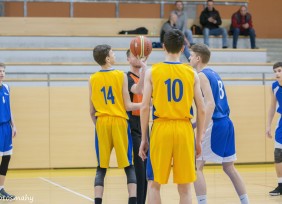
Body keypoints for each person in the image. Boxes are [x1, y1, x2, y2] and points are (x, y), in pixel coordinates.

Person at [139, 29, 206, 204]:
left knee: (154, 184)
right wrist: (198, 139)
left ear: (163, 47)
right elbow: (202, 109)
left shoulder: (152, 72)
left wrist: (144, 139)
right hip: (184, 129)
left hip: (161, 128)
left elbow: (145, 107)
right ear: (183, 48)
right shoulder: (191, 73)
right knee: (184, 187)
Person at [189, 43, 249, 204]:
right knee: (229, 167)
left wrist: (200, 132)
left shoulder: (201, 75)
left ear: (198, 58)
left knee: (196, 166)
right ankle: (246, 202)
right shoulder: (214, 74)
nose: (189, 58)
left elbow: (210, 105)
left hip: (215, 123)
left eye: (191, 55)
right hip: (227, 123)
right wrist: (195, 124)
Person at [89, 44, 142, 204]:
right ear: (107, 58)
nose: (114, 55)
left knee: (101, 168)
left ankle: (98, 201)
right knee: (128, 166)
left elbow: (91, 111)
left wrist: (98, 126)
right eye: (112, 53)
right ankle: (132, 201)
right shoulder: (120, 75)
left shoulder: (93, 79)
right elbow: (128, 106)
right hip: (119, 122)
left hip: (102, 123)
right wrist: (146, 104)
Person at [126, 49, 147, 204]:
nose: (138, 58)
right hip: (133, 125)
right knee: (139, 168)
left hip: (145, 124)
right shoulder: (127, 78)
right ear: (128, 59)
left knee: (147, 171)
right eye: (134, 55)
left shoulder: (146, 78)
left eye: (139, 55)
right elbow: (138, 90)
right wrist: (146, 69)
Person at [0, 62, 16, 200]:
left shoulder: (6, 87)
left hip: (6, 128)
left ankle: (1, 189)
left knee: (6, 157)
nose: (2, 73)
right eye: (0, 71)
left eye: (3, 71)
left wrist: (14, 125)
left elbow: (9, 108)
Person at [266, 62, 282, 196]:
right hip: (281, 122)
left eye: (280, 71)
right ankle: (280, 185)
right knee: (278, 154)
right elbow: (272, 107)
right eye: (275, 71)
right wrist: (268, 125)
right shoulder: (274, 87)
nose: (277, 74)